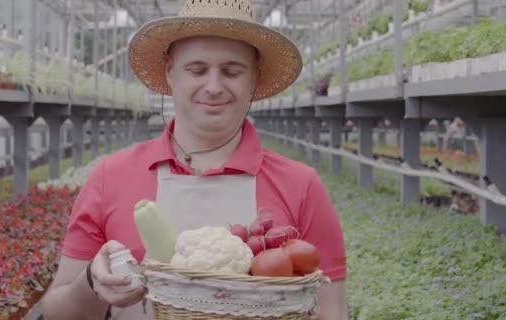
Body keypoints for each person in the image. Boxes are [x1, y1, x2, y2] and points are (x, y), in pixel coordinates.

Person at [41, 0, 349, 319]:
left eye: (232, 71)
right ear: (171, 72)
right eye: (197, 69)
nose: (213, 86)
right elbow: (57, 313)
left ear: (254, 79)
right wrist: (92, 281)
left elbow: (333, 311)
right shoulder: (111, 176)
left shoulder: (301, 185)